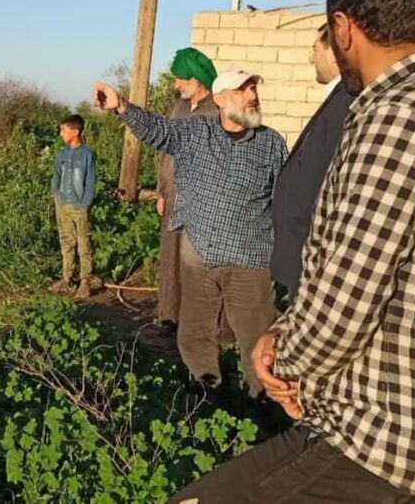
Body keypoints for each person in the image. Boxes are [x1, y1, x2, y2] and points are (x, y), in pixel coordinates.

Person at [169, 0, 415, 504]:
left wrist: (281, 357)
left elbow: (344, 302)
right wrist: (289, 340)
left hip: (401, 449)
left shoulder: (399, 117)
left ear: (344, 26)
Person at [92, 70, 286, 399]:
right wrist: (122, 105)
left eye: (254, 89)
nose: (252, 95)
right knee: (195, 334)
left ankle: (262, 406)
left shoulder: (270, 143)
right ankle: (207, 394)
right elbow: (158, 130)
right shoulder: (196, 132)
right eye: (243, 90)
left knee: (257, 339)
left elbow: (284, 198)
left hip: (249, 260)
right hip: (199, 256)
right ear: (222, 99)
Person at [269, 23, 352, 302]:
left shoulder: (346, 102)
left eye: (316, 49)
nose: (311, 58)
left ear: (334, 51)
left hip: (313, 263)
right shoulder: (338, 99)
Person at [156, 47, 221, 334]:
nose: (177, 84)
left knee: (196, 261)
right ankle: (169, 317)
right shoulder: (180, 108)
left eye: (181, 78)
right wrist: (161, 190)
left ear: (197, 78)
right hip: (173, 196)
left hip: (202, 200)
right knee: (170, 256)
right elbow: (166, 151)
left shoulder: (216, 110)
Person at [50, 114, 97, 299]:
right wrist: (57, 195)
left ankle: (85, 280)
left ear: (75, 131)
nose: (61, 133)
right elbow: (56, 176)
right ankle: (67, 278)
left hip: (80, 206)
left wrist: (85, 202)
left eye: (64, 129)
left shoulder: (88, 155)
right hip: (62, 204)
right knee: (66, 241)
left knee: (84, 241)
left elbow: (91, 181)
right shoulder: (61, 154)